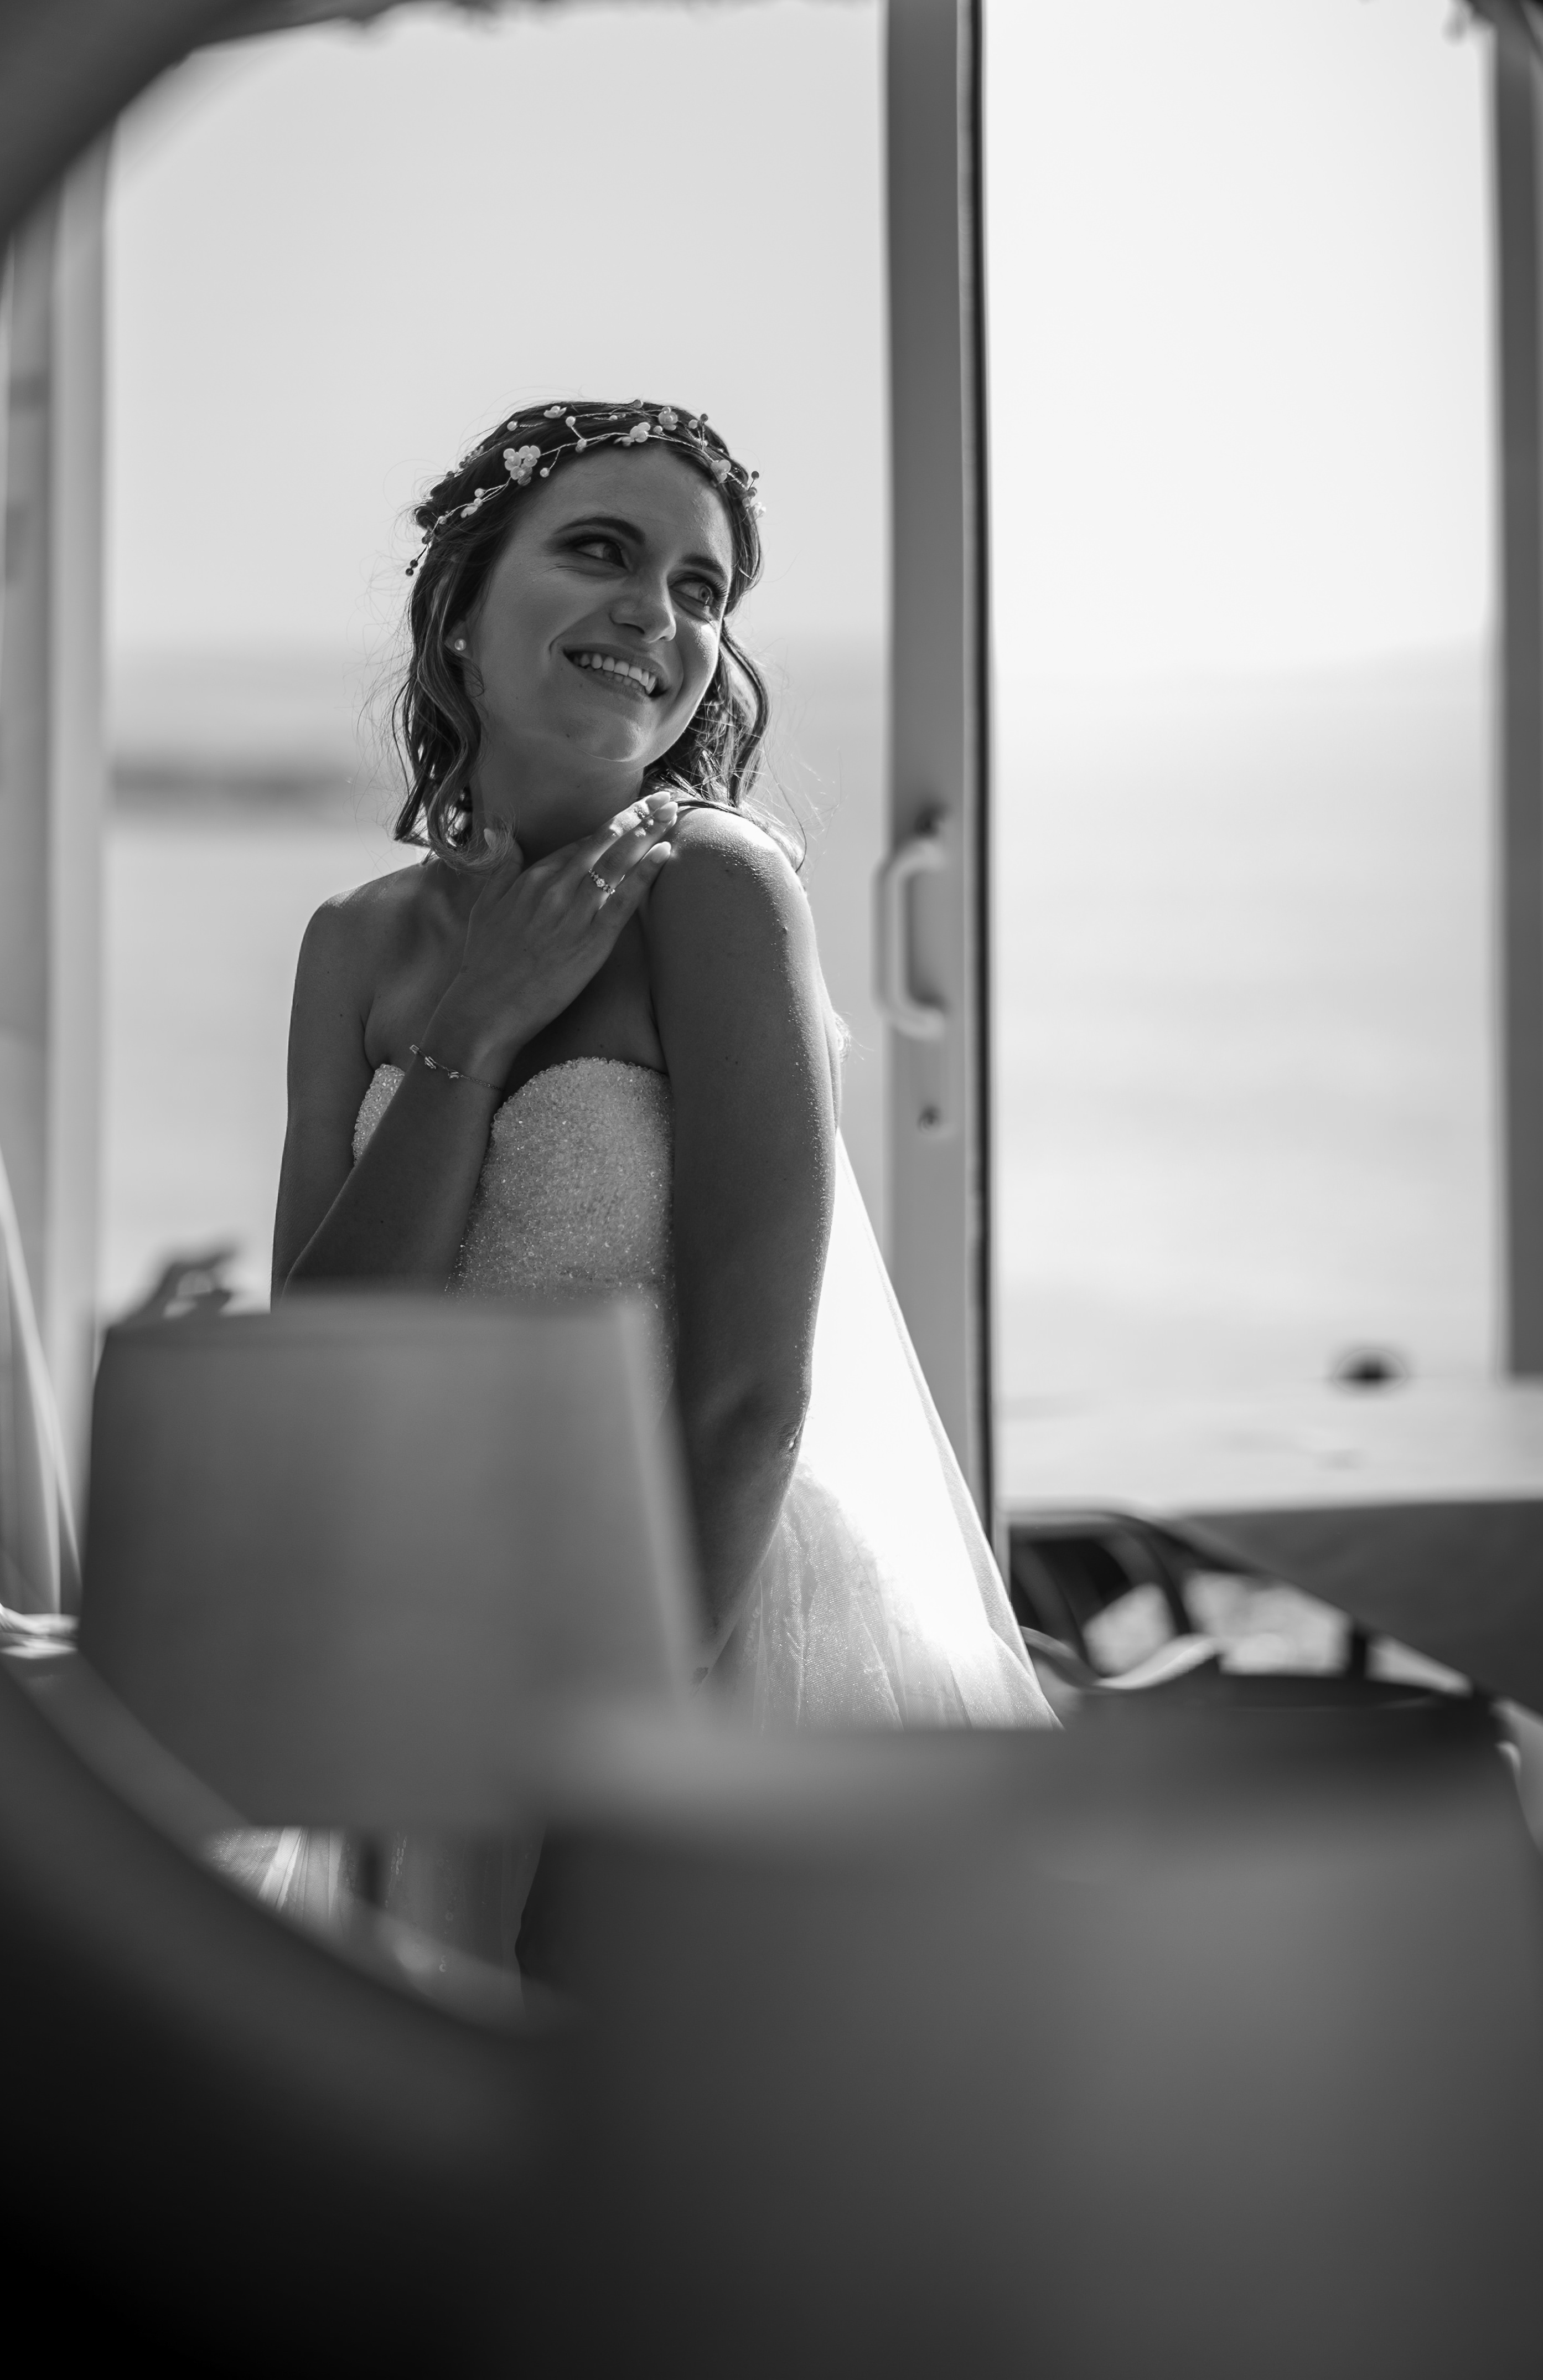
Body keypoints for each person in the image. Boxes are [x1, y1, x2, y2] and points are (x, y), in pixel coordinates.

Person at [273, 398, 1049, 1960]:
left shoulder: (717, 888)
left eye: (703, 590)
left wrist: (645, 1774)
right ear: (462, 606)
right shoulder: (355, 944)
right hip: (441, 1636)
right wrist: (472, 1034)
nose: (658, 612)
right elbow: (326, 1360)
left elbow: (752, 1391)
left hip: (714, 1627)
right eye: (603, 553)